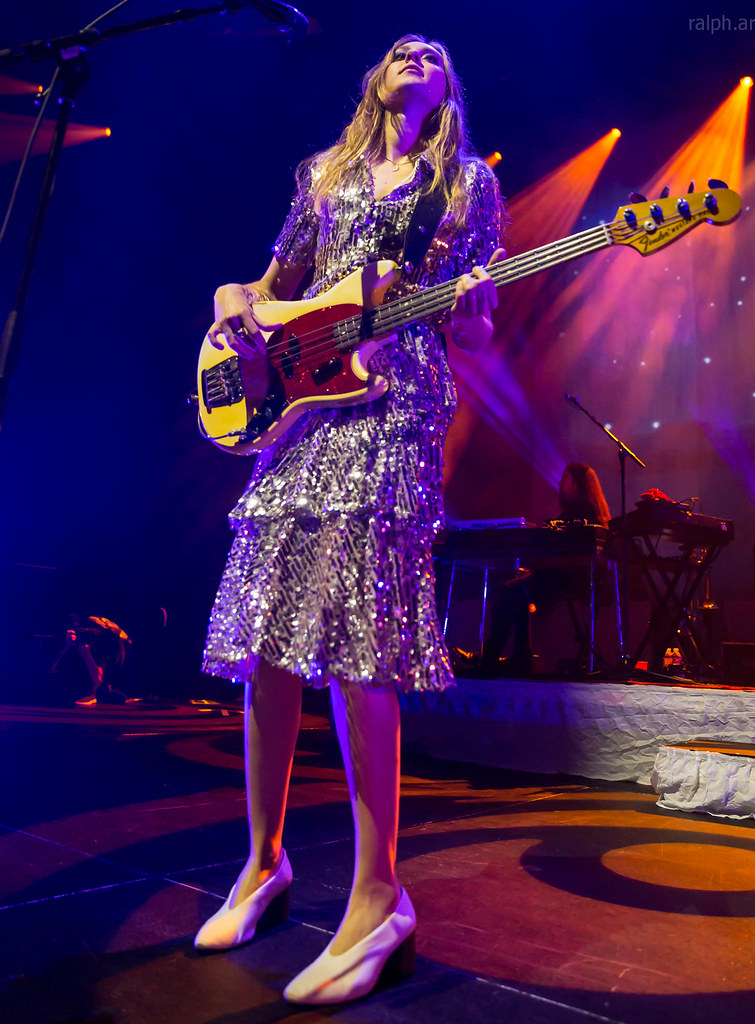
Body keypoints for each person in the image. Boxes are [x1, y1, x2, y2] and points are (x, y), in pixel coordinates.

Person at [196, 35, 505, 1005]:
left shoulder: (463, 188)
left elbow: (475, 327)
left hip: (400, 400)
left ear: (448, 87)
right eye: (400, 47)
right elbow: (272, 288)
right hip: (305, 411)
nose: (417, 50)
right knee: (271, 636)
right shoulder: (324, 175)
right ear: (377, 79)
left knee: (366, 633)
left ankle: (379, 897)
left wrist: (476, 306)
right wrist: (231, 308)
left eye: (435, 51)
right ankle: (263, 863)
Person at [482, 464, 611, 673]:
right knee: (517, 589)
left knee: (512, 591)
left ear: (578, 485)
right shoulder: (582, 516)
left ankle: (494, 659)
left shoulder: (584, 518)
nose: (560, 484)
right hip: (566, 575)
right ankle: (519, 656)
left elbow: (572, 556)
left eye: (565, 480)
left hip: (573, 578)